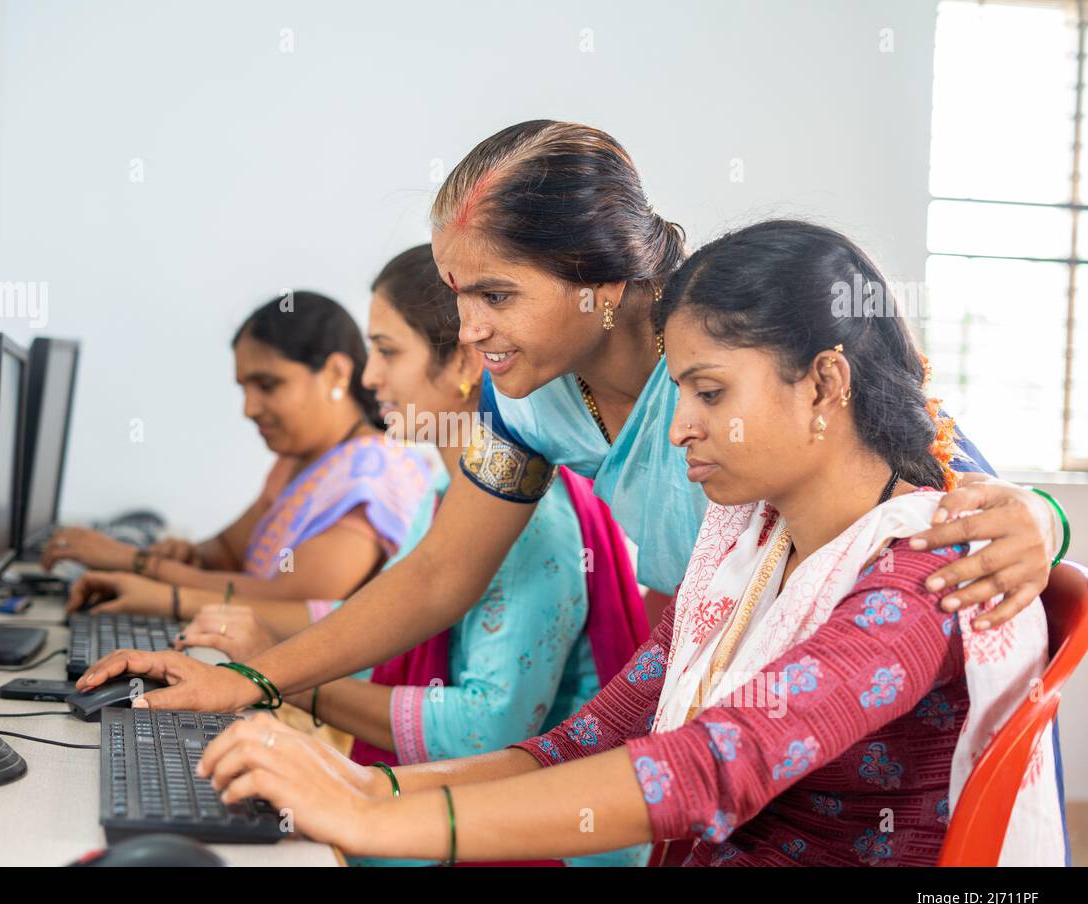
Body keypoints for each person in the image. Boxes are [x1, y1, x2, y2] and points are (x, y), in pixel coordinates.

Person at [73, 120, 1063, 718]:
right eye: (459, 295)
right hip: (706, 676)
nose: (468, 330)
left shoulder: (740, 346)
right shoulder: (526, 398)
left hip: (836, 700)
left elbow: (940, 463)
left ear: (602, 280)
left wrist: (1044, 518)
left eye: (495, 294)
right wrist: (253, 676)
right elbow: (435, 574)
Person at [185, 220, 1065, 866]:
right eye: (679, 391)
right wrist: (368, 791)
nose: (677, 428)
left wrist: (377, 821)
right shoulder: (747, 544)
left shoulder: (925, 574)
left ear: (825, 382)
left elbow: (712, 768)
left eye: (711, 393)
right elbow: (593, 735)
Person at [178, 245, 653, 866]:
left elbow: (489, 731)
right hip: (453, 800)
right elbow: (375, 609)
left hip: (524, 834)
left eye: (387, 351)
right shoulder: (442, 490)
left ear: (461, 359)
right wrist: (248, 657)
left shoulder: (535, 518)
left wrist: (277, 681)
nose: (369, 378)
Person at [45, 291, 432, 620]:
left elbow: (290, 601)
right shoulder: (297, 461)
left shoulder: (372, 474)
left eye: (267, 384)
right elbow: (227, 552)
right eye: (244, 388)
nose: (249, 408)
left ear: (335, 373)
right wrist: (184, 555)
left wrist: (135, 563)